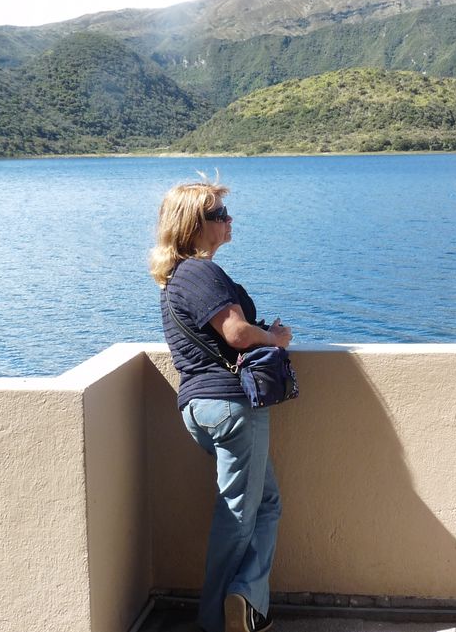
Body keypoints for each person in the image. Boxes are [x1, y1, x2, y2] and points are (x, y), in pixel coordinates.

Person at [150, 177, 292, 632]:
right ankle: (217, 619)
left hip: (202, 406)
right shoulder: (200, 273)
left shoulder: (178, 278)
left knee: (264, 502)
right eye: (219, 215)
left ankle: (245, 601)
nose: (230, 220)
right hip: (231, 407)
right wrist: (275, 338)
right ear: (194, 224)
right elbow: (236, 333)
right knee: (238, 512)